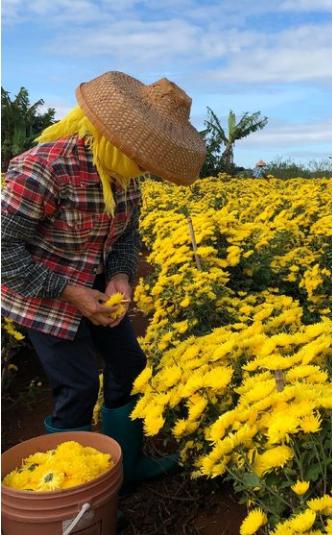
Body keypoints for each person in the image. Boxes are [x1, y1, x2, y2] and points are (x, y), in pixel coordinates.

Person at [1, 71, 206, 489]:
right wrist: (69, 291)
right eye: (144, 158)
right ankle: (69, 492)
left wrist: (120, 275)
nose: (146, 169)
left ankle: (125, 468)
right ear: (118, 138)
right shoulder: (45, 169)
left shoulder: (126, 177)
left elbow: (126, 235)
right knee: (76, 386)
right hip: (39, 294)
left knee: (130, 365)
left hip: (93, 290)